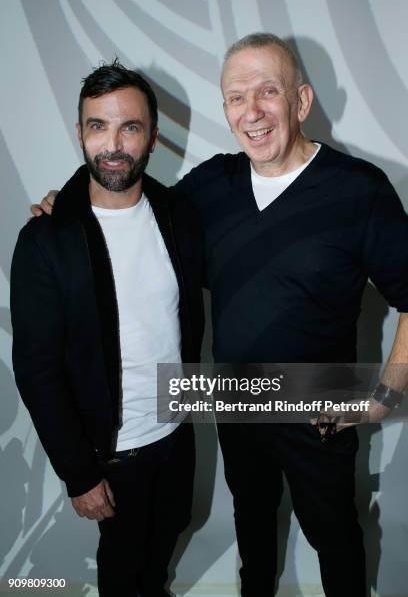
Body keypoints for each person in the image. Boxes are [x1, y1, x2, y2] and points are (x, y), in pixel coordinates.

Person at [32, 34, 408, 596]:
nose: (251, 111)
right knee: (253, 535)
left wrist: (382, 399)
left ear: (301, 102)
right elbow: (139, 208)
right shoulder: (213, 184)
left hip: (318, 401)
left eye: (267, 92)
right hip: (235, 397)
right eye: (236, 97)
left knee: (336, 541)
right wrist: (64, 207)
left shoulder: (360, 190)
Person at [11, 61, 204, 597]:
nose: (113, 144)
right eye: (98, 126)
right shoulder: (48, 240)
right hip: (110, 460)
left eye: (130, 127)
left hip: (176, 437)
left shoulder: (179, 214)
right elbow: (36, 370)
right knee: (122, 576)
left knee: (160, 559)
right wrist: (78, 474)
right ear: (80, 133)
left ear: (154, 137)